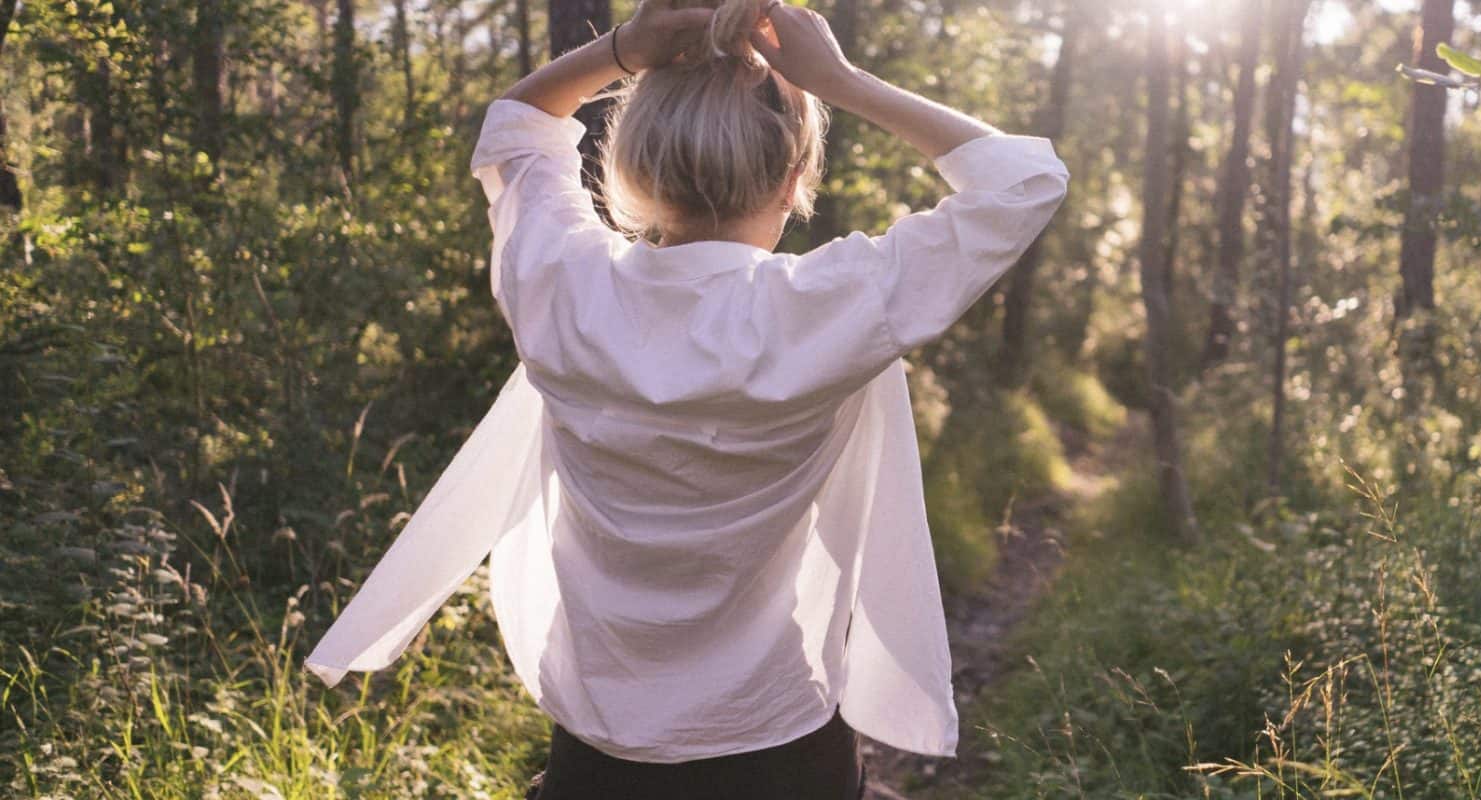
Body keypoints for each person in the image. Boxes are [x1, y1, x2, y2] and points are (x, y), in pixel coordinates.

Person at [302, 0, 1070, 798]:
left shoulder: (566, 290)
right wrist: (838, 81)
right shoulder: (824, 309)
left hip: (598, 762)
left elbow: (519, 123)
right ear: (793, 178)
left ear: (633, 164)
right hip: (778, 747)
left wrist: (626, 47)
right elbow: (1022, 181)